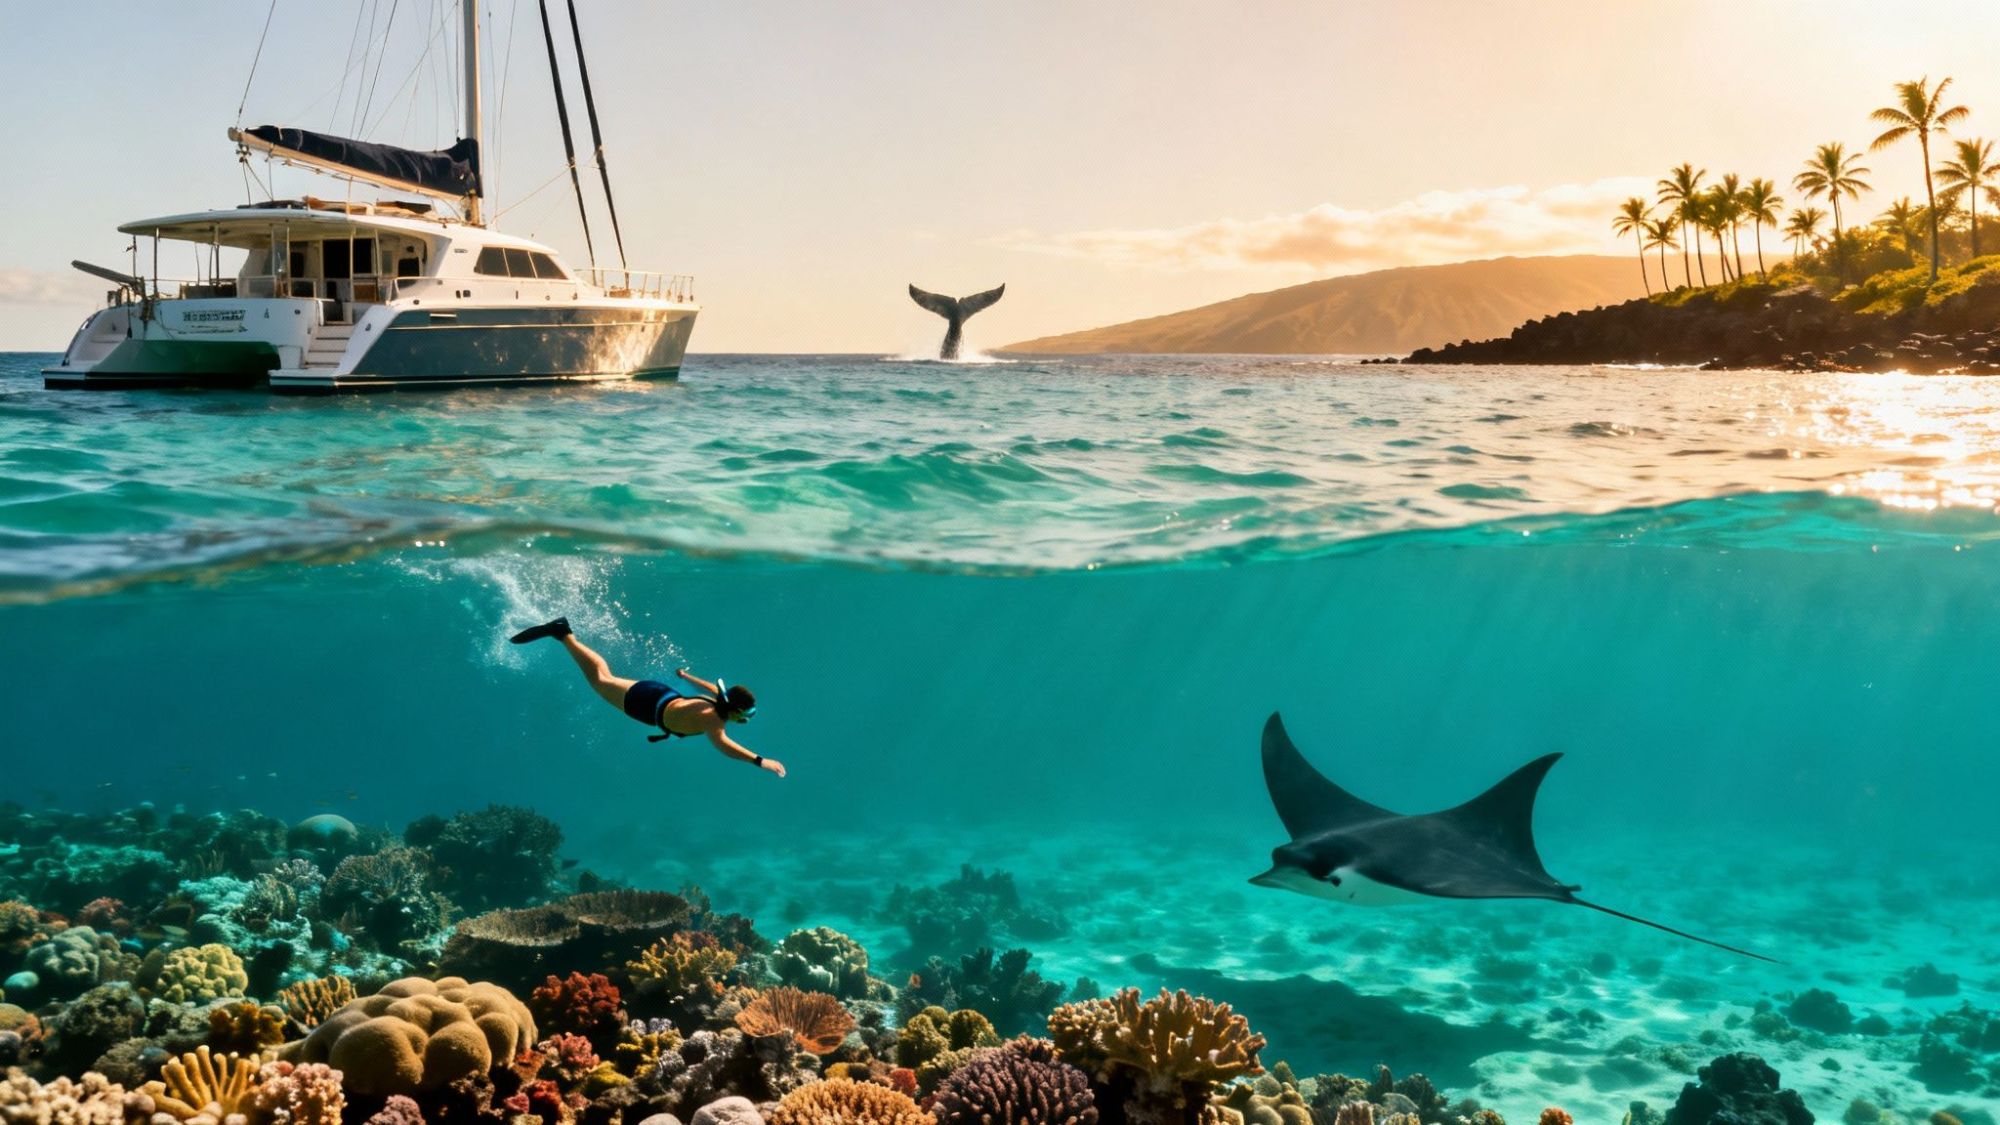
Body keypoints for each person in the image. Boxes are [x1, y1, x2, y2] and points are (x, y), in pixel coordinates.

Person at [509, 617, 786, 777]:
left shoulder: (718, 701)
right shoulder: (713, 721)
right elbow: (725, 746)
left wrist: (686, 677)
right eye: (747, 714)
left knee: (608, 676)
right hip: (646, 705)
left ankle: (565, 634)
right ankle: (564, 635)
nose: (747, 719)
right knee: (600, 680)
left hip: (660, 693)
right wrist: (760, 761)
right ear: (735, 710)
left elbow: (710, 687)